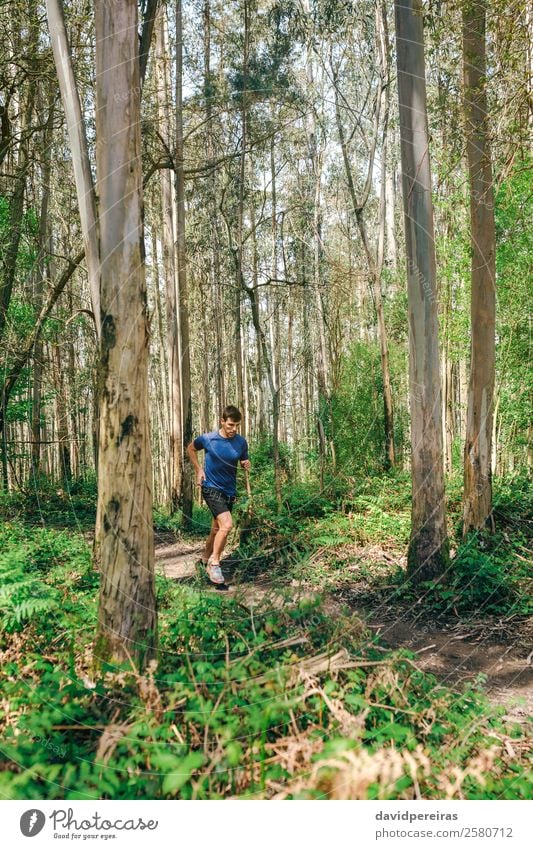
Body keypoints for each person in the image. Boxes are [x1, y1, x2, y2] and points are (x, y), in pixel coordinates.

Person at [186, 405, 251, 588]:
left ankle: (203, 560)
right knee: (227, 524)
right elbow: (190, 449)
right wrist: (198, 469)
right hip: (211, 487)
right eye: (230, 425)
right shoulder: (208, 439)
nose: (234, 429)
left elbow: (243, 459)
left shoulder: (241, 442)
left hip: (229, 491)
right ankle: (215, 563)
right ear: (222, 421)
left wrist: (246, 462)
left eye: (237, 425)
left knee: (216, 529)